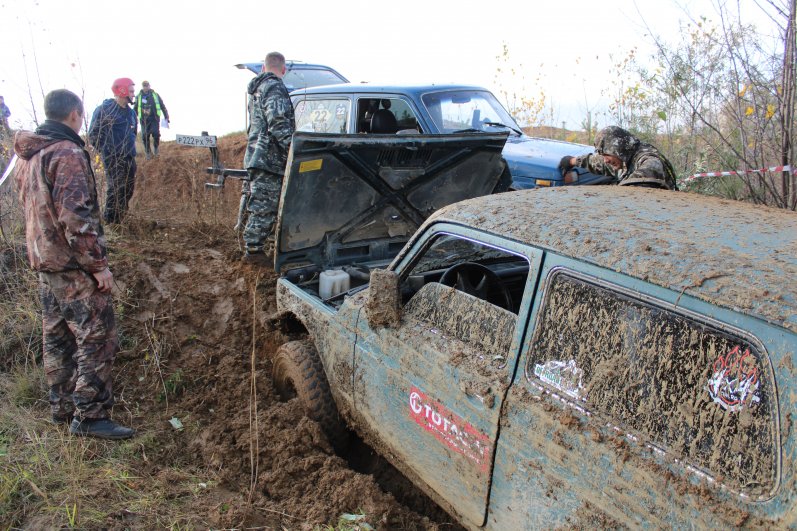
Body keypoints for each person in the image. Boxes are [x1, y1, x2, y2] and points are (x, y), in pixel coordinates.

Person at [13, 89, 135, 440]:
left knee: (57, 338)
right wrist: (98, 266)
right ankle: (91, 416)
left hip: (45, 263)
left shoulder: (28, 154)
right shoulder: (65, 153)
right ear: (74, 115)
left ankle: (62, 407)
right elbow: (75, 218)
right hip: (71, 266)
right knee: (98, 335)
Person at [241, 51, 296, 265]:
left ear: (263, 68)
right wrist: (293, 150)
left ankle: (260, 248)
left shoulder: (257, 89)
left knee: (262, 203)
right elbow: (279, 123)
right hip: (270, 158)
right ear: (283, 70)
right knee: (265, 205)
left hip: (257, 153)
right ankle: (253, 253)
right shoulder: (274, 87)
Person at [558, 126, 678, 190]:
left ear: (619, 150)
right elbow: (599, 162)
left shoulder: (649, 161)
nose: (605, 160)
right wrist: (572, 161)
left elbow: (632, 191)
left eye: (607, 155)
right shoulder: (623, 159)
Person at [88, 78, 138, 224]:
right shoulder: (104, 110)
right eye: (131, 91)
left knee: (128, 188)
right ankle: (111, 223)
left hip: (129, 157)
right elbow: (94, 135)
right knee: (116, 188)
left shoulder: (131, 114)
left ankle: (121, 218)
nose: (133, 94)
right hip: (113, 157)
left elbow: (133, 133)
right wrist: (108, 151)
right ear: (122, 90)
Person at [134, 80, 170, 159]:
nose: (145, 87)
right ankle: (148, 152)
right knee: (144, 136)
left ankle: (156, 148)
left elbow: (162, 106)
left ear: (149, 86)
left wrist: (166, 116)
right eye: (144, 86)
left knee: (156, 133)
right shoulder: (138, 97)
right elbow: (135, 109)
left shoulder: (155, 95)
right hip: (144, 120)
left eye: (147, 85)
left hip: (154, 118)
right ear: (142, 87)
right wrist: (133, 120)